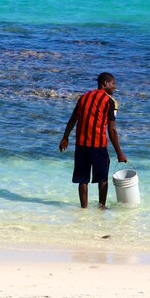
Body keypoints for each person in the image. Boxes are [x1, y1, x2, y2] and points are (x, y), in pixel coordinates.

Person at [59, 72, 128, 208]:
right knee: (102, 179)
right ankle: (101, 207)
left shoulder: (83, 97)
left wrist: (65, 137)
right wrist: (119, 153)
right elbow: (112, 130)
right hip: (98, 146)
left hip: (81, 146)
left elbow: (73, 119)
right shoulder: (110, 102)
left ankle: (83, 209)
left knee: (82, 180)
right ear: (105, 83)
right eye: (113, 83)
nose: (115, 86)